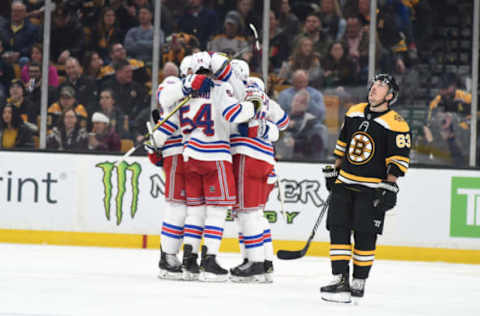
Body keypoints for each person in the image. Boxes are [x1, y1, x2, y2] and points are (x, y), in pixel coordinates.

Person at [151, 53, 255, 282]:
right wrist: (252, 107)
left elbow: (166, 122)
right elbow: (233, 113)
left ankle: (189, 260)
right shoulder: (219, 88)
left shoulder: (183, 93)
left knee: (194, 210)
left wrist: (154, 144)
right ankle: (209, 261)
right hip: (215, 155)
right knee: (216, 212)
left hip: (188, 157)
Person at [320, 74, 410, 303]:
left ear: (390, 96)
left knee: (365, 236)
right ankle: (340, 279)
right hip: (345, 184)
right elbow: (343, 145)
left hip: (372, 189)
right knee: (338, 231)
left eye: (382, 86)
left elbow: (398, 160)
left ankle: (359, 281)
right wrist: (335, 170)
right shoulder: (354, 111)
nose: (375, 88)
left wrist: (390, 186)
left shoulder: (397, 123)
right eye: (374, 84)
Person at [145, 76, 187, 280]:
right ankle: (167, 256)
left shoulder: (177, 107)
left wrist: (154, 145)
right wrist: (154, 146)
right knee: (177, 208)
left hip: (188, 158)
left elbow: (155, 154)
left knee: (187, 210)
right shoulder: (172, 107)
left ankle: (176, 254)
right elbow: (155, 156)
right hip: (177, 157)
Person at [423, 73, 471, 166]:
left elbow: (474, 117)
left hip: (465, 136)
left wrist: (456, 121)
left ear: (453, 86)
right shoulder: (436, 101)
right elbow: (428, 122)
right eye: (441, 88)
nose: (443, 91)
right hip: (444, 138)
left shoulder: (466, 98)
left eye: (446, 88)